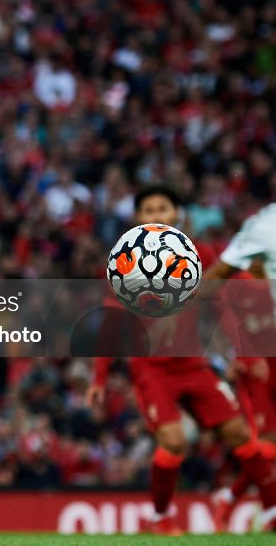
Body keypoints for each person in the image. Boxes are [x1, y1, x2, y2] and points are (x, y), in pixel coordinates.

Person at [86, 185, 276, 536]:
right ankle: (161, 518)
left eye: (163, 209)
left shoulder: (200, 254)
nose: (156, 216)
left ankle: (271, 511)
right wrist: (98, 379)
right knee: (174, 441)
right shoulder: (124, 264)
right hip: (151, 368)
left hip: (193, 364)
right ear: (138, 219)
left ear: (177, 215)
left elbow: (224, 303)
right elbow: (111, 327)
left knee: (239, 433)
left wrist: (244, 348)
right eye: (149, 211)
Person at [201, 203, 276, 530]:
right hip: (256, 369)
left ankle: (231, 499)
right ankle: (255, 507)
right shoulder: (237, 285)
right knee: (268, 444)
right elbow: (230, 328)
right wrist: (245, 360)